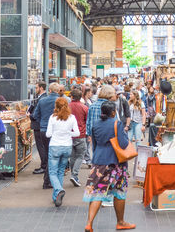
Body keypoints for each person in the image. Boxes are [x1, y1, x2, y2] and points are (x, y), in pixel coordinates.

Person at [83, 101, 135, 232]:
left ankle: (89, 223)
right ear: (113, 112)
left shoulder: (95, 124)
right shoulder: (117, 124)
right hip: (116, 163)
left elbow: (94, 144)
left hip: (99, 161)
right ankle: (121, 222)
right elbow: (123, 144)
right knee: (119, 192)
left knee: (97, 192)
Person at [46, 97, 80, 207]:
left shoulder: (52, 118)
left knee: (52, 172)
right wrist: (68, 133)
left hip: (55, 146)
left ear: (56, 106)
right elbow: (77, 133)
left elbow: (48, 134)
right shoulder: (72, 118)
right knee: (61, 171)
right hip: (67, 146)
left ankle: (59, 190)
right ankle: (56, 197)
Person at [33, 82, 61, 189]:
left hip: (43, 130)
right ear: (58, 91)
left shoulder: (42, 101)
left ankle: (47, 179)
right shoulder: (61, 101)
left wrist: (43, 122)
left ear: (49, 90)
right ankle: (48, 180)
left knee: (49, 154)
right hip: (56, 131)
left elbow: (35, 115)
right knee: (53, 156)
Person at [69, 88, 89, 187]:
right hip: (81, 134)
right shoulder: (84, 107)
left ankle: (73, 173)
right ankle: (74, 174)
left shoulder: (67, 107)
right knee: (80, 156)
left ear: (71, 96)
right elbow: (87, 121)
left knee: (72, 156)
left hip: (70, 135)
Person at [28, 81, 48, 175]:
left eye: (36, 87)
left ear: (41, 88)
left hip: (38, 125)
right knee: (41, 146)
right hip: (40, 125)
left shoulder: (42, 99)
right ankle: (44, 165)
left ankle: (44, 166)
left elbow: (36, 114)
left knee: (41, 147)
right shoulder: (42, 98)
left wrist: (30, 115)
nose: (35, 89)